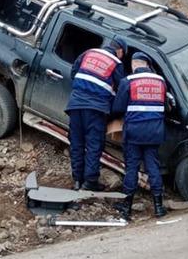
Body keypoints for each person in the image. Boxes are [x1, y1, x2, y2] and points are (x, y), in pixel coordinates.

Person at [111, 52, 168, 220]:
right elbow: (165, 105)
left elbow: (118, 108)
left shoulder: (128, 81)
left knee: (132, 168)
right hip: (155, 131)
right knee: (153, 167)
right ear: (147, 64)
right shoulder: (161, 81)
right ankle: (158, 207)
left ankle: (126, 208)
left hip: (134, 132)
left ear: (135, 65)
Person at [65, 38, 127, 191]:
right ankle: (90, 182)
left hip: (75, 104)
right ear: (120, 51)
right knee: (94, 145)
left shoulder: (89, 52)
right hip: (96, 109)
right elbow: (122, 90)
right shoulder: (116, 63)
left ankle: (77, 180)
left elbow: (74, 73)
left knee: (77, 143)